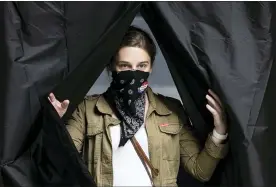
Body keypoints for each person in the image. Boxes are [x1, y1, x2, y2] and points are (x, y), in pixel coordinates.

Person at [48, 26, 229, 187]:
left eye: (142, 66)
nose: (134, 73)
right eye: (125, 66)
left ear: (150, 67)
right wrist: (55, 124)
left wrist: (219, 131)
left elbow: (200, 171)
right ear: (112, 66)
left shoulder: (171, 110)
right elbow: (59, 164)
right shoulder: (87, 110)